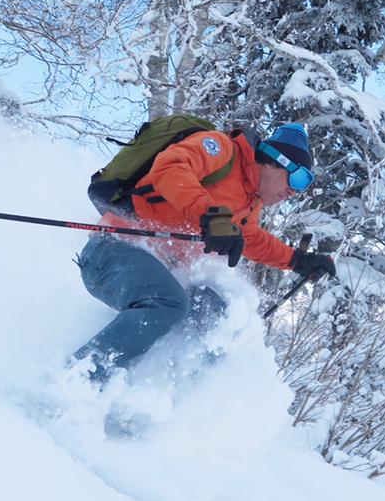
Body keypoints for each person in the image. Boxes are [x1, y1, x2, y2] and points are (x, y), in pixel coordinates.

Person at [72, 120, 335, 380]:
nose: (293, 191)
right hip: (113, 250)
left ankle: (160, 399)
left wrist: (297, 260)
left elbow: (252, 239)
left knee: (218, 321)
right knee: (169, 303)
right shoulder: (221, 150)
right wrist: (210, 216)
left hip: (158, 269)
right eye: (298, 178)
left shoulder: (250, 203)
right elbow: (171, 167)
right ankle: (79, 381)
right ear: (274, 160)